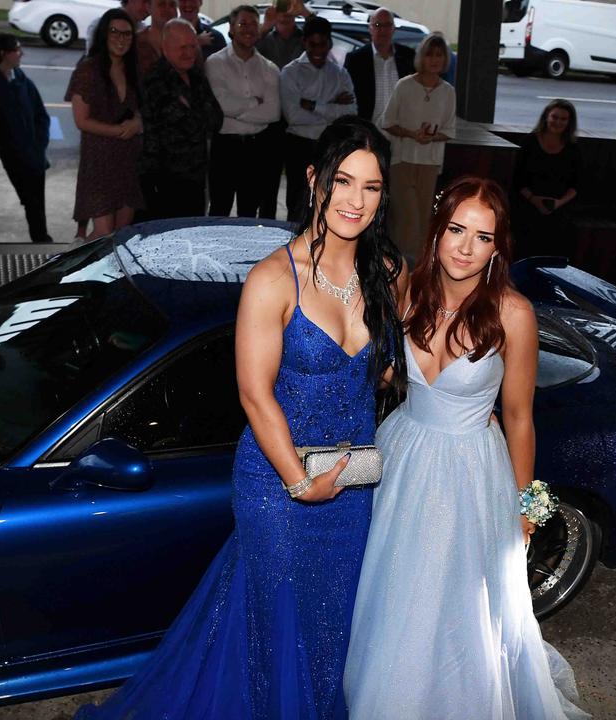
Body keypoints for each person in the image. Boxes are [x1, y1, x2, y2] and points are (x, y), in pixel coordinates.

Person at [75, 115, 407, 720]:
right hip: (279, 490)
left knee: (333, 618)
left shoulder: (388, 274)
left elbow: (387, 374)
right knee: (279, 622)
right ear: (314, 180)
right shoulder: (272, 279)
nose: (355, 200)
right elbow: (255, 395)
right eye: (343, 181)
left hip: (353, 485)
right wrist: (300, 482)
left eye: (372, 186)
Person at [343, 175, 587, 719]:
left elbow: (522, 419)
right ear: (437, 232)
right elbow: (385, 374)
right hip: (404, 456)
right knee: (398, 593)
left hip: (472, 470)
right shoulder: (407, 291)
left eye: (482, 236)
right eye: (456, 229)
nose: (465, 246)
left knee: (462, 605)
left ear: (497, 248)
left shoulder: (514, 313)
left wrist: (531, 510)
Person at [66, 8, 145, 239]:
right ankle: (74, 272)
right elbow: (81, 120)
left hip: (127, 160)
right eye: (114, 32)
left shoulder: (132, 70)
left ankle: (106, 275)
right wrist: (120, 130)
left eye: (127, 34)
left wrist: (138, 121)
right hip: (99, 162)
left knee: (121, 235)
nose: (121, 39)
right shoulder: (87, 70)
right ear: (103, 34)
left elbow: (141, 108)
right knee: (103, 233)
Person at [380, 32, 455, 261]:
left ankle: (415, 276)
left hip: (430, 164)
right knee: (404, 218)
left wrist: (431, 137)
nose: (434, 60)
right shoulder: (405, 86)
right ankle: (395, 265)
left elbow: (450, 130)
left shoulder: (448, 92)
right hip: (402, 160)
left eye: (439, 55)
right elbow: (387, 122)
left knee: (423, 220)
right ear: (421, 57)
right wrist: (411, 134)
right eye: (430, 54)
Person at [138, 19, 223, 219]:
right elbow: (181, 129)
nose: (189, 52)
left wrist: (194, 116)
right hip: (163, 183)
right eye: (182, 47)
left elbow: (216, 120)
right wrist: (198, 117)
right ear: (165, 47)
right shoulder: (154, 81)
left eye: (193, 46)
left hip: (196, 178)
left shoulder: (196, 77)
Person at [205, 5, 282, 217]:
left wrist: (236, 109)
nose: (248, 29)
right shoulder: (215, 63)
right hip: (225, 149)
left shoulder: (270, 69)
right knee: (219, 209)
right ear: (231, 28)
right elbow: (221, 105)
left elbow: (273, 112)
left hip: (257, 149)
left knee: (249, 211)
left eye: (253, 24)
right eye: (242, 23)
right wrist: (254, 102)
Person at [280, 16, 357, 221]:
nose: (318, 50)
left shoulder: (340, 74)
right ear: (304, 42)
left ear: (329, 43)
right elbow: (293, 116)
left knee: (328, 201)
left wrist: (314, 105)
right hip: (299, 145)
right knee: (297, 202)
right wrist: (333, 104)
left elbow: (351, 113)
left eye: (322, 44)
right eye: (312, 44)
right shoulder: (290, 72)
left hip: (330, 146)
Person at [0, 34, 52, 243]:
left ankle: (41, 239)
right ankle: (41, 238)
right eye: (17, 50)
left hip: (34, 151)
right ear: (4, 54)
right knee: (30, 199)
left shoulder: (21, 78)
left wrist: (40, 142)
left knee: (36, 200)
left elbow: (40, 114)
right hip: (12, 153)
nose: (21, 54)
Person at [511, 99, 581, 258]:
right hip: (527, 202)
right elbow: (517, 178)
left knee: (559, 232)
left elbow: (575, 185)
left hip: (559, 205)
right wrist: (534, 200)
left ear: (569, 122)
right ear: (546, 117)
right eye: (554, 117)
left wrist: (557, 203)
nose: (558, 122)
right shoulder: (529, 142)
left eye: (563, 119)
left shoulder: (573, 149)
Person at [344, 8, 416, 127]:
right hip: (369, 132)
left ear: (394, 29)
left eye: (387, 25)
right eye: (377, 25)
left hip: (403, 132)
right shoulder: (356, 60)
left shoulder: (408, 56)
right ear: (370, 28)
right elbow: (348, 99)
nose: (383, 30)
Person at [258, 0, 314, 70]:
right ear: (275, 9)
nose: (285, 11)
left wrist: (305, 12)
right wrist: (264, 28)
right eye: (282, 7)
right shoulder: (264, 39)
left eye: (289, 7)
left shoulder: (306, 39)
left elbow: (322, 35)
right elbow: (245, 51)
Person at [85, 0, 150, 54]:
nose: (149, 9)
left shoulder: (144, 32)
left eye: (151, 4)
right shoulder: (100, 25)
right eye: (145, 2)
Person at [136, 0, 181, 76]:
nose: (167, 9)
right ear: (149, 7)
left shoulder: (186, 43)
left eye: (172, 4)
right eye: (161, 4)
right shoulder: (135, 42)